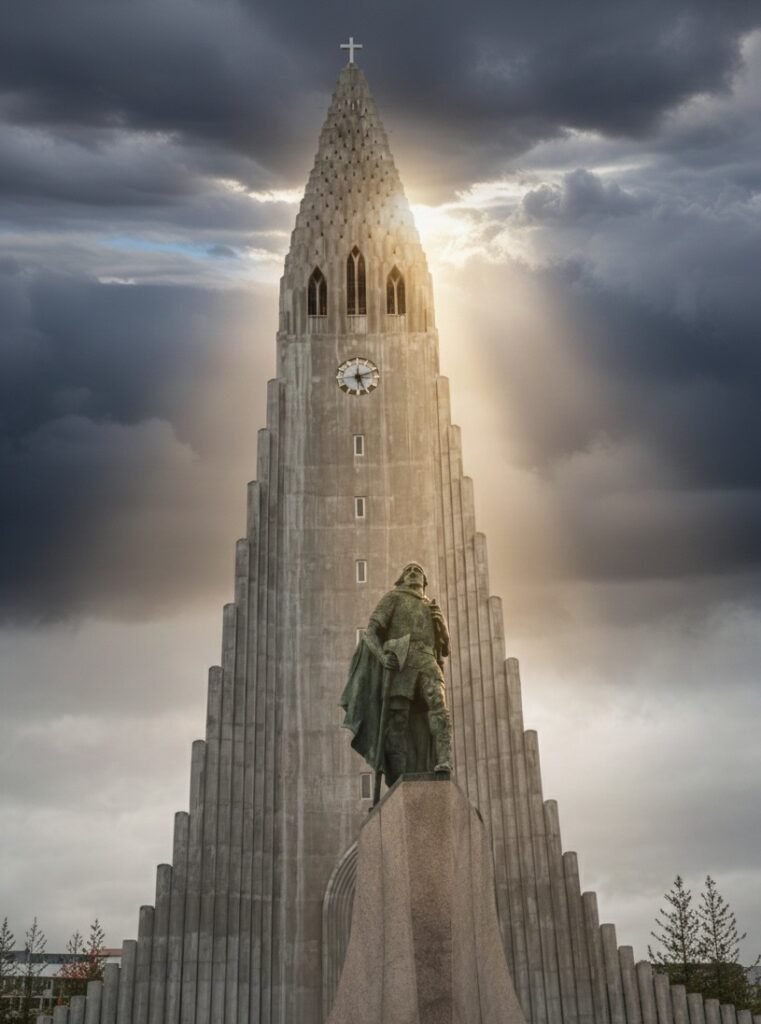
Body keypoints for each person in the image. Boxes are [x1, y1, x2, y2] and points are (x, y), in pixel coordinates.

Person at [339, 562, 453, 791]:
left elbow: (446, 648)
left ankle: (443, 760)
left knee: (438, 704)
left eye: (418, 571)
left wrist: (442, 626)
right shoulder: (394, 598)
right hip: (402, 662)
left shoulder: (431, 607)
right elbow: (371, 632)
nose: (413, 573)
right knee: (397, 720)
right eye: (408, 571)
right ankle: (399, 776)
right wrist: (382, 657)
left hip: (427, 660)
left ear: (424, 581)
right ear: (402, 579)